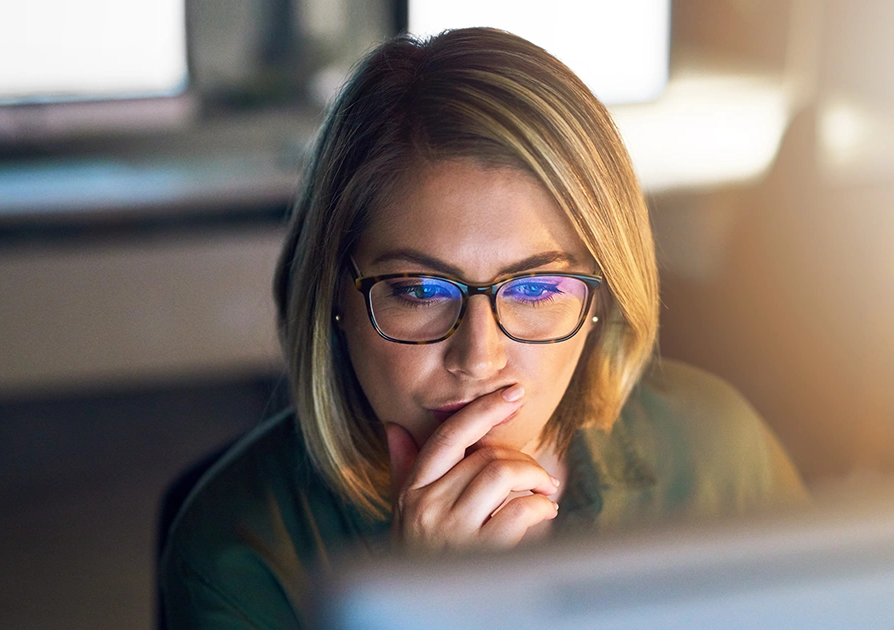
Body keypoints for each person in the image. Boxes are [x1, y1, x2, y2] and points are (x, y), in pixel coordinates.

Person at [158, 27, 808, 628]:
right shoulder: (234, 554)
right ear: (336, 295)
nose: (478, 355)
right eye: (417, 290)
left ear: (602, 301)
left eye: (535, 288)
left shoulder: (718, 452)